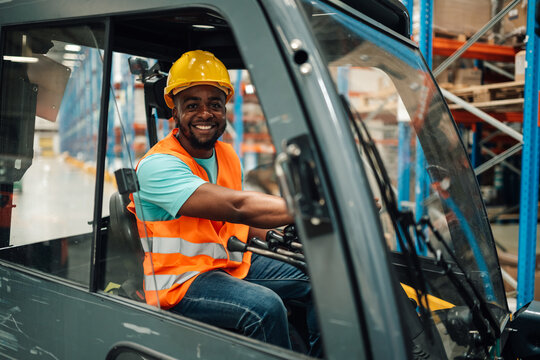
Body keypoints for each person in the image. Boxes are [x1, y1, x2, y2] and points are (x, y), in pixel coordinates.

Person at [128, 50, 320, 356]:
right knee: (265, 308)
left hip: (227, 263)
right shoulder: (157, 166)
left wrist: (289, 238)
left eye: (214, 104)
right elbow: (237, 206)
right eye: (192, 105)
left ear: (225, 109)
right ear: (174, 111)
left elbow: (240, 223)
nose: (205, 114)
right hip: (181, 282)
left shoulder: (227, 155)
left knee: (320, 280)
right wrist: (314, 207)